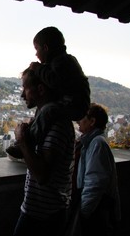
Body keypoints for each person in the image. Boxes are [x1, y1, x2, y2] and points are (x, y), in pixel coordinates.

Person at [3, 67, 75, 236]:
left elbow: (43, 175)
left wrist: (23, 141)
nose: (22, 94)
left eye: (25, 88)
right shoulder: (47, 122)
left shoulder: (57, 124)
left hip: (44, 216)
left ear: (41, 89)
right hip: (44, 211)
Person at [6, 26, 89, 159]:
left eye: (36, 49)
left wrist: (38, 68)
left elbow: (55, 81)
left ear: (45, 48)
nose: (36, 54)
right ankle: (26, 139)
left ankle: (28, 142)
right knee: (42, 112)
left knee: (47, 110)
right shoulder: (63, 62)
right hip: (72, 102)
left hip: (75, 104)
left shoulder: (62, 62)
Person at [72, 103, 121, 236]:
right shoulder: (92, 142)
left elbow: (95, 181)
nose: (78, 120)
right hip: (96, 206)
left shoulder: (96, 143)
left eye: (82, 117)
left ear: (92, 121)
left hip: (94, 208)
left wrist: (84, 211)